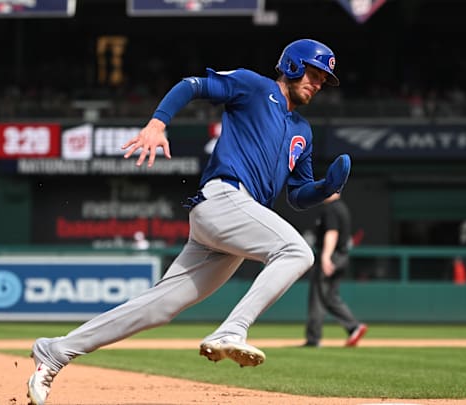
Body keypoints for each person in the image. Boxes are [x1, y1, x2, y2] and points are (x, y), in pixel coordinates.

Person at [26, 38, 352, 405]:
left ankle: (55, 351)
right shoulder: (255, 86)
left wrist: (325, 187)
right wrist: (157, 123)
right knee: (297, 252)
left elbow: (297, 195)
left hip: (235, 221)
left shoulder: (302, 131)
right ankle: (233, 329)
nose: (320, 82)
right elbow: (192, 85)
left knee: (158, 307)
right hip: (224, 198)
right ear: (292, 65)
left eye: (324, 79)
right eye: (315, 73)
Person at [303, 194, 367, 347]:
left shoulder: (331, 209)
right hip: (341, 256)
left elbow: (332, 232)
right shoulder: (341, 207)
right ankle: (353, 327)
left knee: (318, 296)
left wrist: (326, 256)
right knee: (330, 297)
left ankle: (313, 338)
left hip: (331, 256)